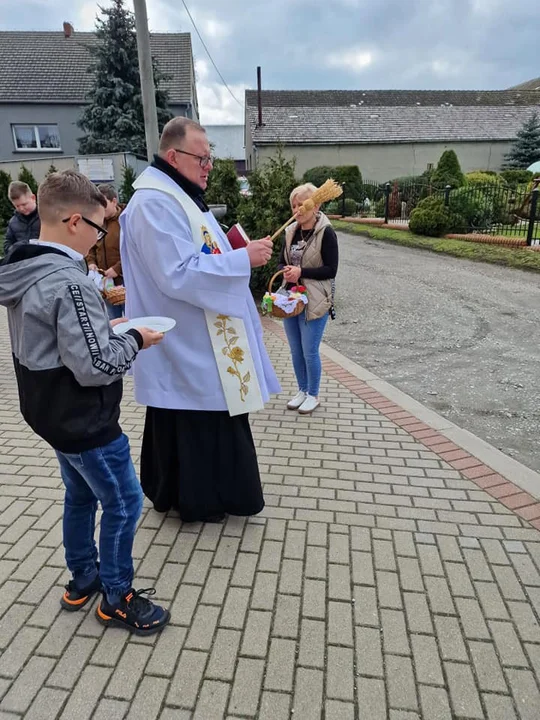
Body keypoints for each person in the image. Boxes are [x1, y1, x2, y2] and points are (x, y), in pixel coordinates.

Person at [0, 170, 170, 636]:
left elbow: (63, 345)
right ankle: (117, 596)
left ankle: (83, 577)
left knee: (79, 495)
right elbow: (96, 366)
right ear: (75, 221)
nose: (99, 237)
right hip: (85, 420)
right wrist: (136, 337)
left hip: (49, 412)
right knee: (123, 503)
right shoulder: (70, 283)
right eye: (98, 228)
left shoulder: (23, 265)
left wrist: (105, 333)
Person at [120, 116, 280, 523]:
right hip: (184, 337)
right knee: (193, 416)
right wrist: (242, 259)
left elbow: (203, 253)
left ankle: (201, 494)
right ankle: (197, 500)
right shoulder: (156, 202)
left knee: (202, 415)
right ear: (173, 156)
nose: (209, 166)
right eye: (202, 158)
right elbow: (177, 272)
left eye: (211, 158)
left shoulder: (181, 197)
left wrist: (235, 248)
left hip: (199, 333)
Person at [278, 182, 339, 414]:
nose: (297, 210)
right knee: (295, 350)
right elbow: (282, 260)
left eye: (301, 204)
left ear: (315, 204)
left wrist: (302, 272)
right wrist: (285, 270)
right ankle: (302, 390)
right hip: (291, 299)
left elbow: (331, 270)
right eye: (293, 206)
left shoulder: (326, 232)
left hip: (315, 300)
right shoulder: (290, 232)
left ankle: (313, 394)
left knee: (309, 351)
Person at [87, 184, 125, 320]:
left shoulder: (125, 221)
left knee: (130, 318)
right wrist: (91, 263)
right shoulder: (97, 222)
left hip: (125, 281)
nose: (100, 210)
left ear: (114, 201)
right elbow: (90, 246)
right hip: (104, 284)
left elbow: (133, 251)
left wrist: (117, 269)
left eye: (104, 205)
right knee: (111, 321)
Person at [4, 181, 41, 255]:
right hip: (22, 261)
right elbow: (7, 243)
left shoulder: (46, 217)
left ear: (33, 198)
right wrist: (15, 250)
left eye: (24, 204)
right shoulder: (13, 222)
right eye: (17, 206)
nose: (21, 208)